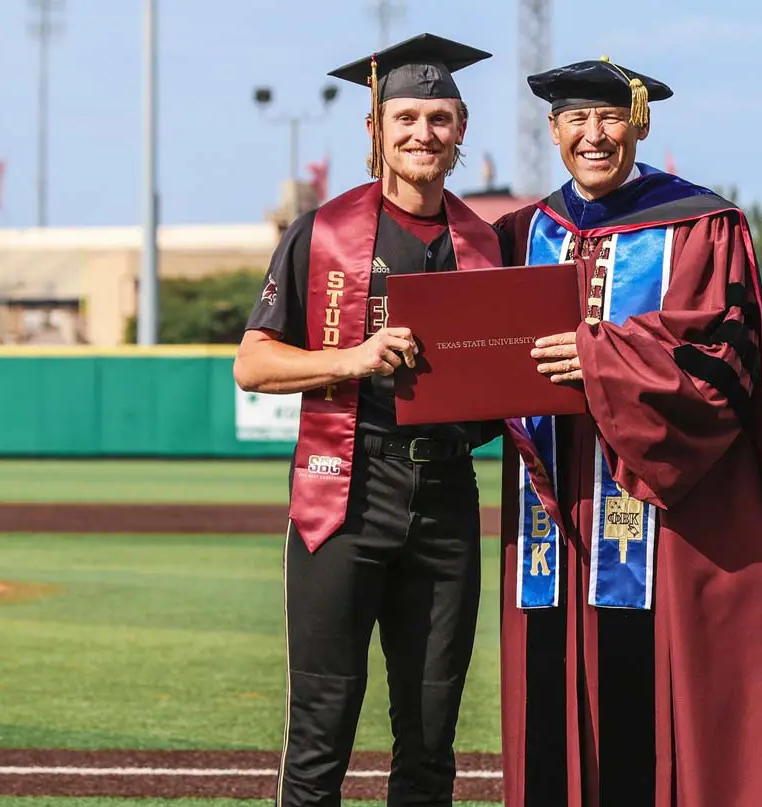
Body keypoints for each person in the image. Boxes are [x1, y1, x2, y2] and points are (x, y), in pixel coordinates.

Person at [493, 56, 762, 807]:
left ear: (638, 123)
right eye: (575, 121)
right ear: (553, 130)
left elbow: (721, 362)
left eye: (609, 118)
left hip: (657, 517)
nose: (593, 135)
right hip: (554, 522)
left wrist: (597, 357)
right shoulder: (522, 232)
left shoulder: (699, 225)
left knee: (658, 716)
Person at [233, 33, 504, 807]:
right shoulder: (320, 233)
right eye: (408, 116)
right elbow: (252, 362)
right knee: (321, 731)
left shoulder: (484, 242)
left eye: (442, 118)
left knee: (430, 736)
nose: (425, 133)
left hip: (446, 493)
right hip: (344, 490)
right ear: (375, 131)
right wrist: (350, 358)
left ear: (460, 132)